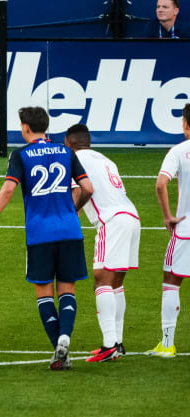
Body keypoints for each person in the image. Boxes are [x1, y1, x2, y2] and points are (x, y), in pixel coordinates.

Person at [0, 105, 93, 370]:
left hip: (40, 234)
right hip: (69, 230)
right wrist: (71, 210)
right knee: (68, 290)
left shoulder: (21, 155)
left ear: (26, 128)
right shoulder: (66, 152)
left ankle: (58, 348)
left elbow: (8, 190)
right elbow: (87, 187)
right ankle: (65, 337)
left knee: (44, 294)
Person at [63, 123, 140, 362]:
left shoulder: (75, 160)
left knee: (101, 280)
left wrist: (70, 215)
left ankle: (109, 345)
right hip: (131, 216)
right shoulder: (107, 160)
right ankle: (116, 343)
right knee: (115, 282)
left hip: (111, 220)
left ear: (69, 143)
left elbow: (84, 190)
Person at [150, 103, 190, 356]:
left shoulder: (178, 151)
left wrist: (167, 217)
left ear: (186, 124)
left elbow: (160, 184)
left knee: (171, 282)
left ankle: (167, 344)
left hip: (186, 227)